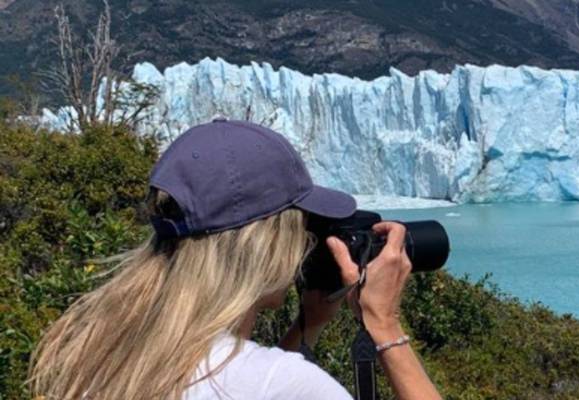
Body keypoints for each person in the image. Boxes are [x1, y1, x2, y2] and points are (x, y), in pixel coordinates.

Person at [30, 119, 442, 400]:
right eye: (301, 228)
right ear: (266, 242)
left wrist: (309, 326)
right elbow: (261, 383)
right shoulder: (284, 385)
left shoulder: (99, 352)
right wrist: (384, 325)